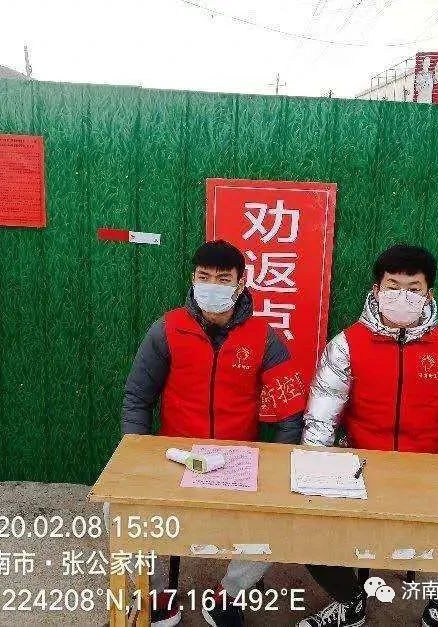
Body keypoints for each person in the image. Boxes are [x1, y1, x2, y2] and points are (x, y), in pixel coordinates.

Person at [297, 244, 438, 627]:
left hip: (427, 478)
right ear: (376, 289)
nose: (402, 296)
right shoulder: (346, 345)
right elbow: (320, 424)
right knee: (301, 530)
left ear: (428, 294)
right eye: (393, 286)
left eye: (413, 289)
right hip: (360, 475)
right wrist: (310, 487)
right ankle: (351, 603)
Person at [119, 239, 306, 627]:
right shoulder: (167, 329)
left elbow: (290, 413)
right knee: (118, 511)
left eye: (223, 278)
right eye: (204, 277)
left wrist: (279, 466)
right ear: (193, 278)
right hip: (177, 457)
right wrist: (136, 456)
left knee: (277, 519)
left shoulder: (264, 337)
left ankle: (230, 593)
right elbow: (137, 397)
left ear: (241, 284)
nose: (212, 286)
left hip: (237, 461)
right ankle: (156, 593)